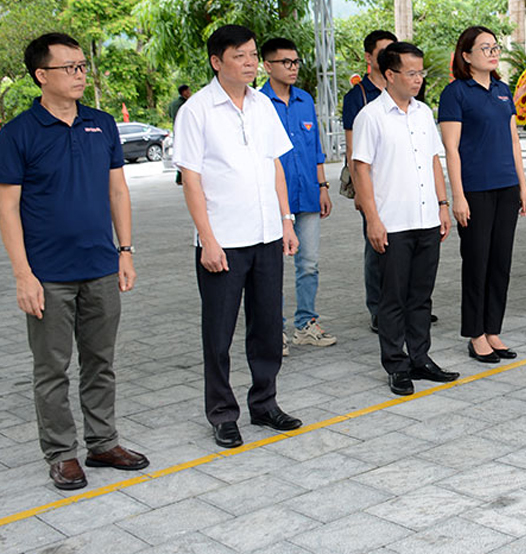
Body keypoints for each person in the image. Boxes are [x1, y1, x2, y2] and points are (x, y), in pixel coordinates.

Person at [0, 33, 148, 491]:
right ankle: (62, 453)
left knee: (100, 361)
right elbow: (7, 207)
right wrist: (23, 275)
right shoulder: (18, 134)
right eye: (69, 67)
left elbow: (117, 191)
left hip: (101, 266)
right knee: (51, 369)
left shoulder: (101, 124)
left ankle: (103, 442)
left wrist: (125, 250)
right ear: (42, 75)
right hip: (48, 275)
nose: (80, 74)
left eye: (83, 65)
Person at [174, 24, 302, 449]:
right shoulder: (197, 111)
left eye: (252, 55)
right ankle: (222, 413)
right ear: (217, 61)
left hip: (266, 235)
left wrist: (286, 221)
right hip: (223, 241)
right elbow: (191, 179)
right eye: (241, 56)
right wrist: (207, 239)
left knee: (266, 327)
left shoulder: (262, 105)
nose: (250, 63)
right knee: (219, 332)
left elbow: (276, 166)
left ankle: (264, 403)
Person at [352, 42, 458, 395]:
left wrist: (443, 204)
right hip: (392, 222)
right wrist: (372, 219)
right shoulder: (370, 116)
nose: (418, 79)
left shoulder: (423, 113)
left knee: (421, 297)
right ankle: (396, 365)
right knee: (392, 299)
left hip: (426, 218)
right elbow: (360, 169)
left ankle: (421, 358)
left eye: (421, 72)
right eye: (411, 73)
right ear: (389, 75)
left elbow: (433, 160)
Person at [439, 26, 526, 365]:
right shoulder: (455, 94)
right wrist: (457, 196)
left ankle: (493, 329)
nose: (493, 53)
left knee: (500, 262)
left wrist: (522, 185)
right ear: (466, 56)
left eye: (495, 47)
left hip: (506, 186)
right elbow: (451, 148)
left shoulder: (503, 91)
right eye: (484, 48)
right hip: (475, 191)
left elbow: (513, 142)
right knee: (476, 262)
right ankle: (475, 333)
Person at [260, 38, 336, 355]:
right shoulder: (257, 103)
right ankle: (272, 330)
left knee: (309, 264)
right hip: (272, 202)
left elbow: (316, 149)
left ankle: (305, 324)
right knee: (270, 269)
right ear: (267, 66)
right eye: (285, 62)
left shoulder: (305, 100)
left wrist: (322, 187)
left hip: (306, 197)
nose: (292, 68)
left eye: (295, 62)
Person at [343, 29, 397, 333]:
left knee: (406, 247)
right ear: (368, 57)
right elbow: (353, 151)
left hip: (400, 182)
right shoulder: (357, 96)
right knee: (377, 247)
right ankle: (378, 309)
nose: (390, 54)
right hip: (373, 184)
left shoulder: (402, 90)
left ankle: (403, 305)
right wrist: (362, 195)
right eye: (383, 51)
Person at [169, 85, 191, 185]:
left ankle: (179, 176)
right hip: (185, 130)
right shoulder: (185, 104)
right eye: (188, 91)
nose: (189, 93)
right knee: (186, 153)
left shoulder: (173, 104)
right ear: (184, 92)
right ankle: (182, 176)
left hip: (176, 130)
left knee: (180, 152)